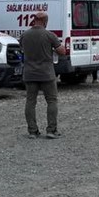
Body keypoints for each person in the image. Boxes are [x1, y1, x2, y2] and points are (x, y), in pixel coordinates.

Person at [20, 11, 68, 139]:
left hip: (29, 73)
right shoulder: (49, 35)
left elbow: (22, 49)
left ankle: (32, 131)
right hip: (46, 73)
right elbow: (62, 51)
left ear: (34, 20)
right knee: (51, 101)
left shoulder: (25, 35)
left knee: (30, 101)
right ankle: (51, 130)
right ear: (45, 22)